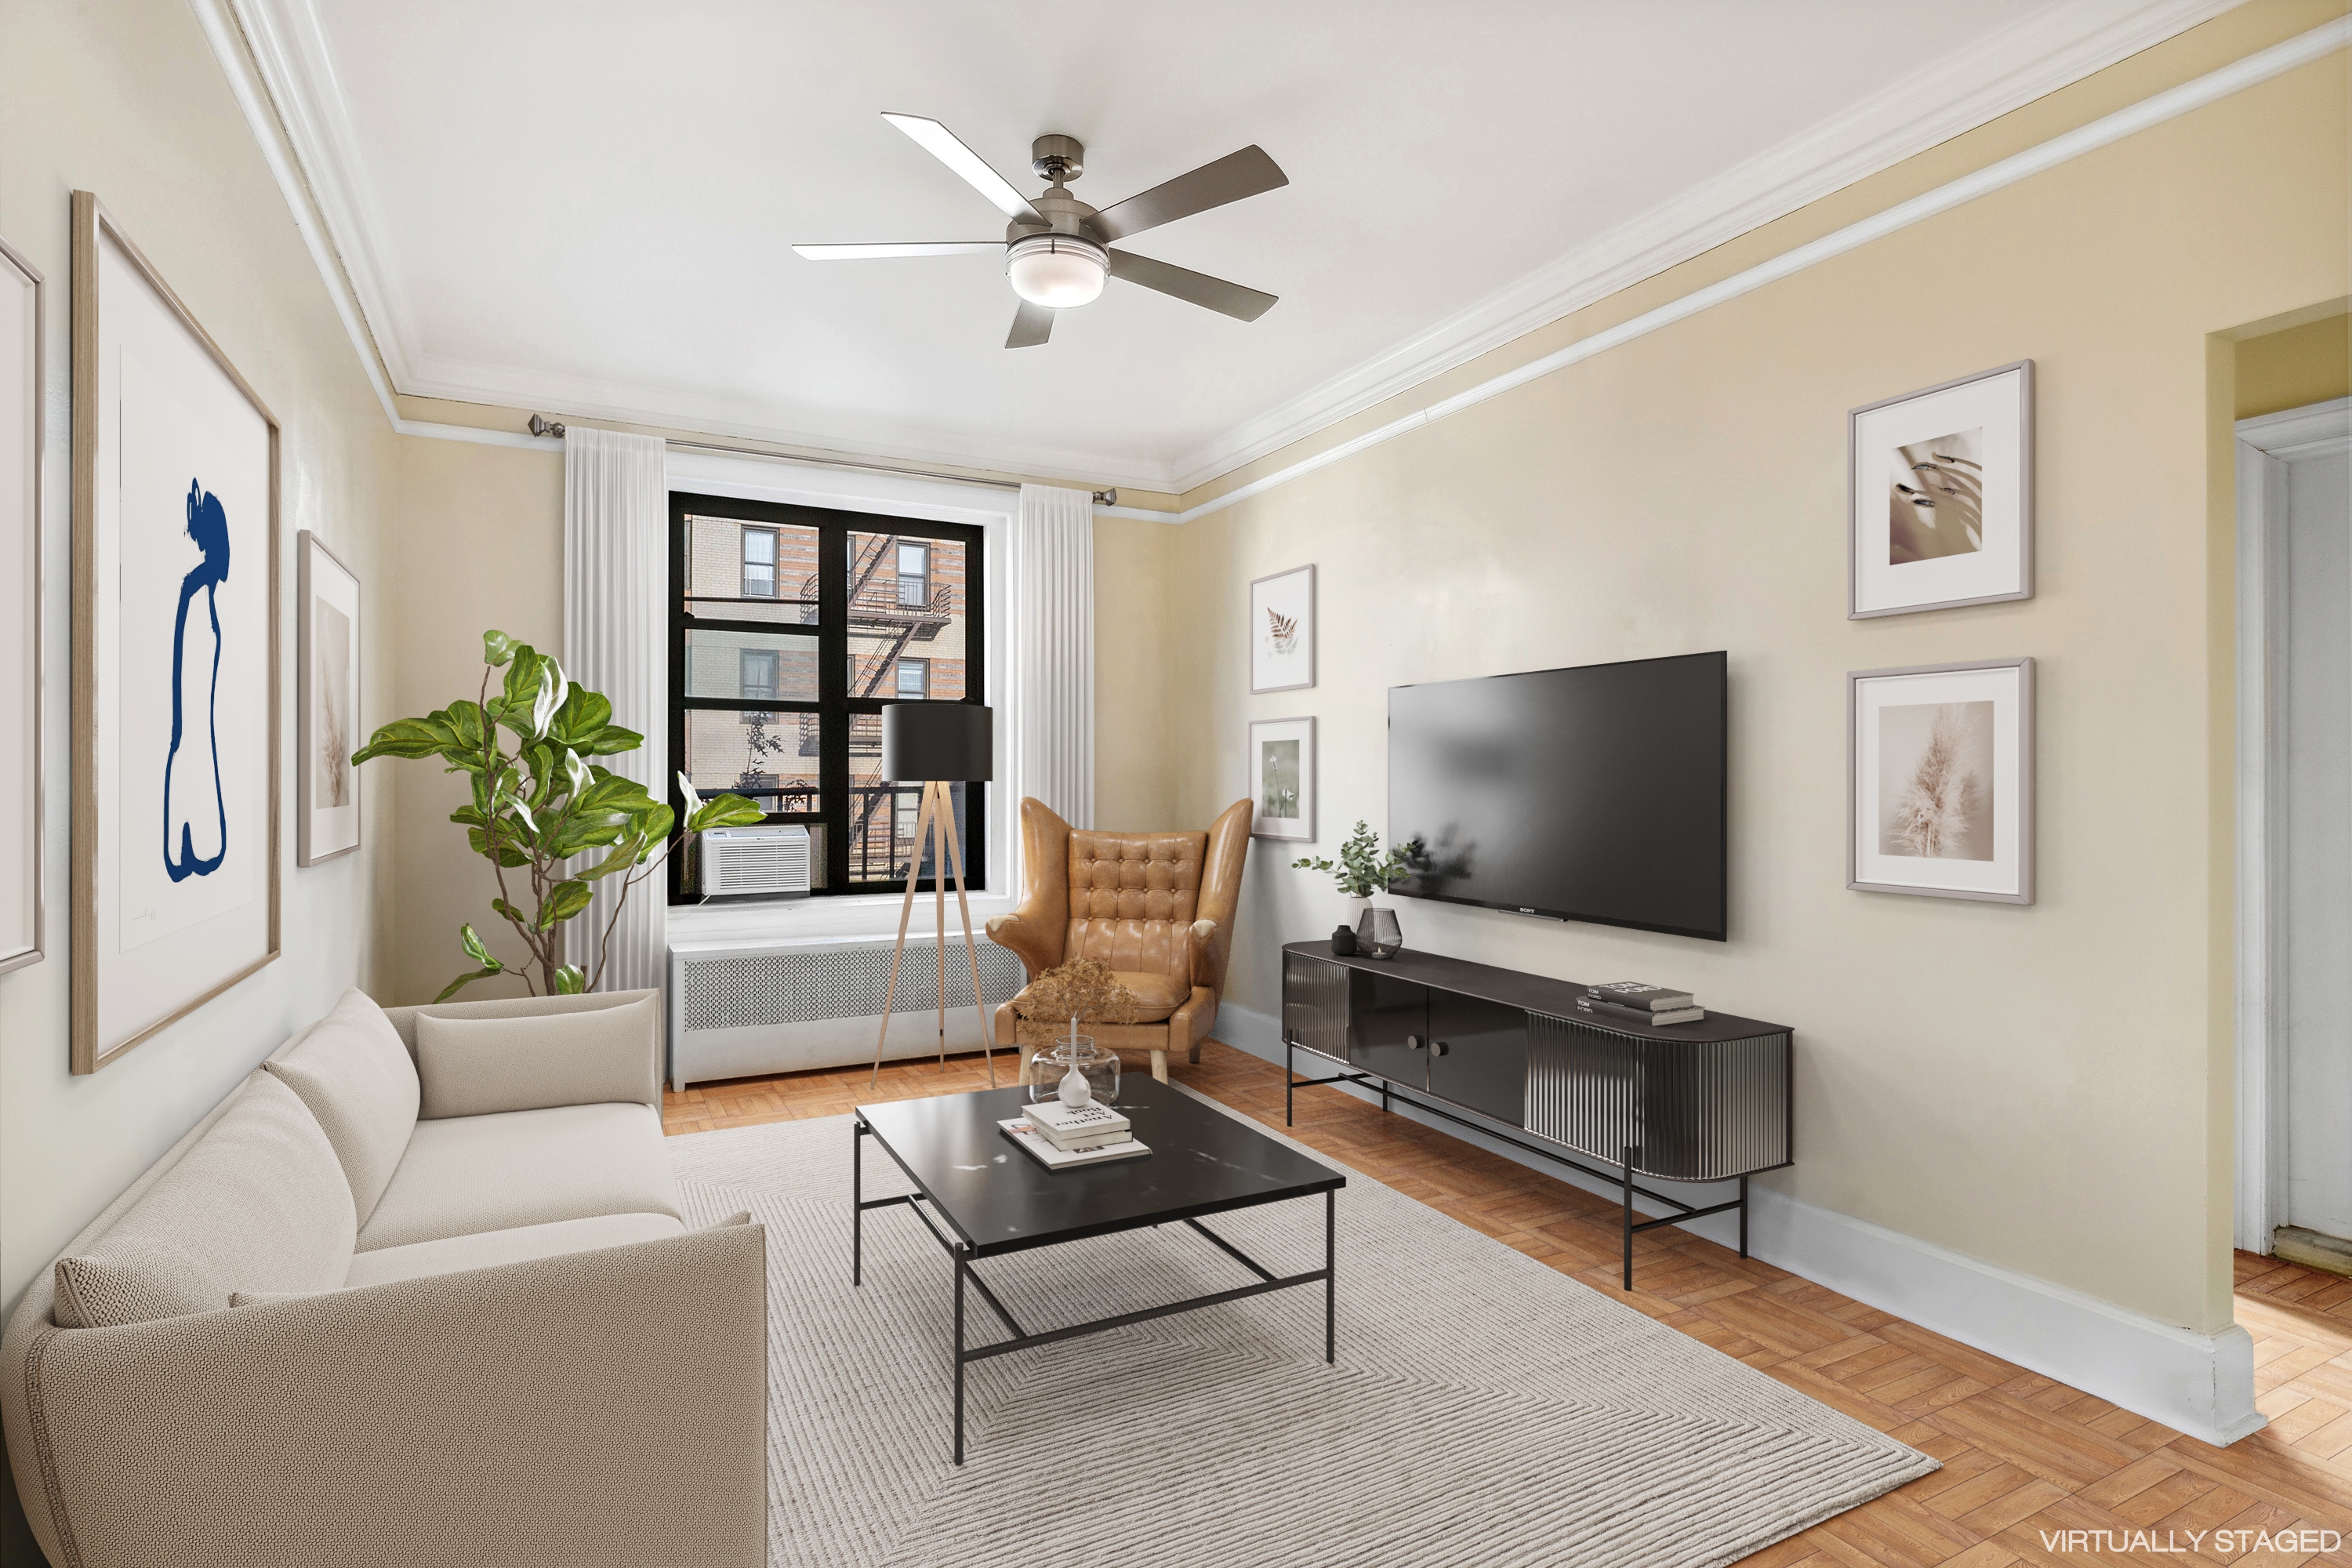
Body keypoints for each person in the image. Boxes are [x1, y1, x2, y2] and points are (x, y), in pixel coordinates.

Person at [163, 478, 230, 882]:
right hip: (193, 728)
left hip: (196, 729)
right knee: (191, 748)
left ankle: (186, 842)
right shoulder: (198, 590)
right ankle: (187, 841)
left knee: (192, 749)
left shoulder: (201, 590)